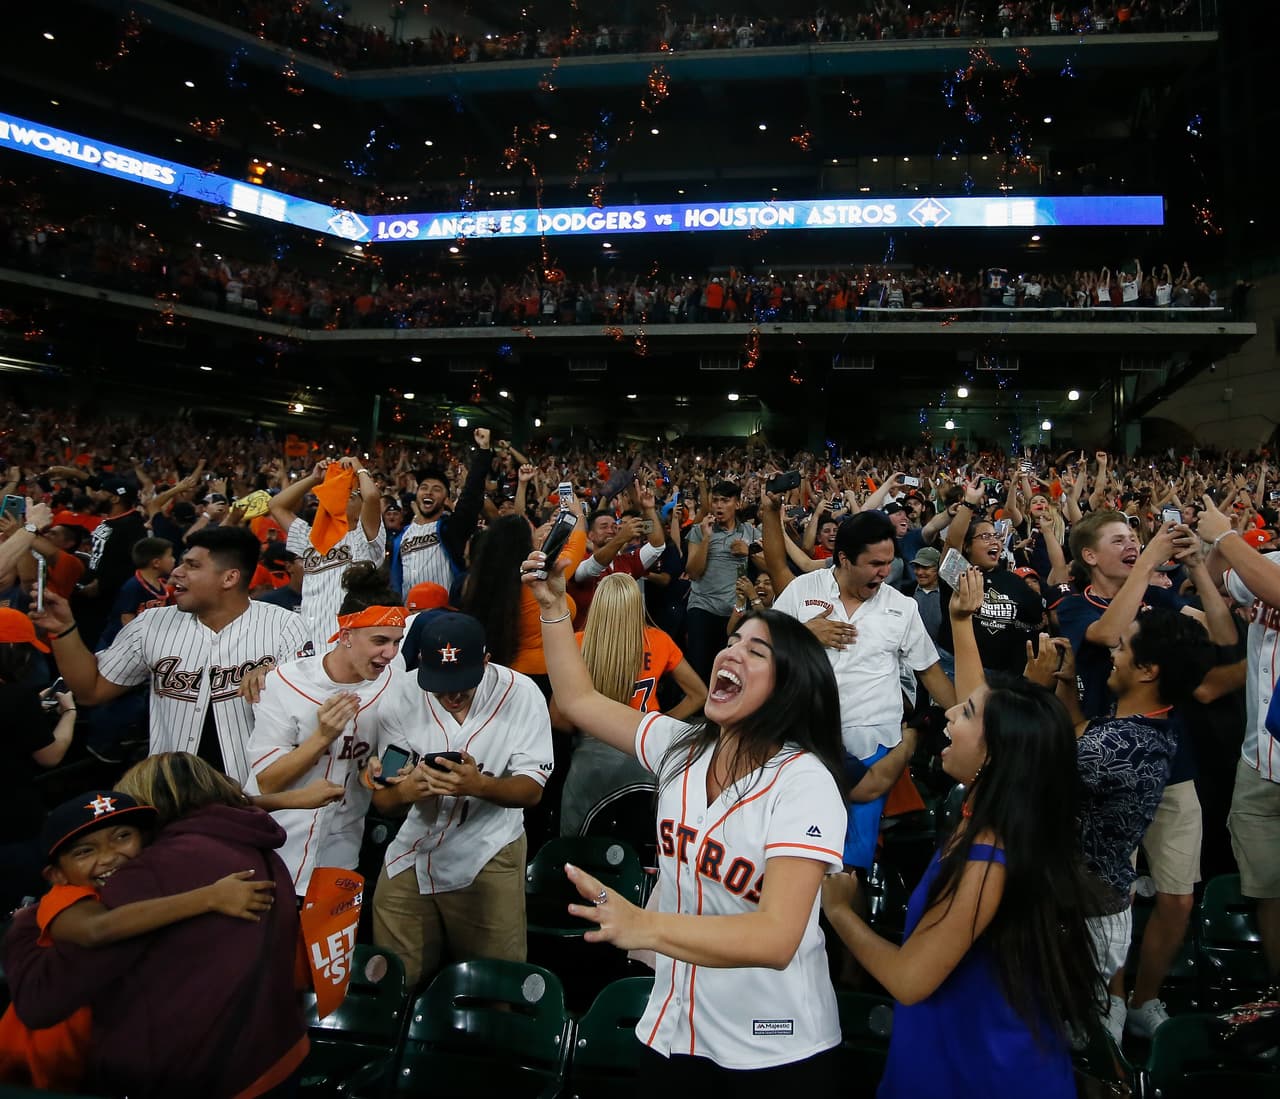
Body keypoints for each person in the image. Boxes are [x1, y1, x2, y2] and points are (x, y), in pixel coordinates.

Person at [521, 544, 849, 1091]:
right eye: (732, 642)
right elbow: (578, 700)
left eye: (756, 651)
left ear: (789, 686)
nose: (731, 653)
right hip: (675, 1025)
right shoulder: (683, 746)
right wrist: (554, 608)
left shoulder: (805, 782)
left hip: (773, 1045)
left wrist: (644, 925)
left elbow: (776, 938)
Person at [822, 568, 1102, 1098]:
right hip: (955, 1055)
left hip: (981, 1076)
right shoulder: (990, 808)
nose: (950, 712)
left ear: (993, 753)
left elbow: (910, 979)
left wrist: (840, 912)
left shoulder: (989, 855)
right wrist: (960, 623)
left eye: (965, 714)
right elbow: (987, 708)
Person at [2, 753, 308, 1099]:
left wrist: (25, 928)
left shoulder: (149, 873)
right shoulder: (255, 844)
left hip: (203, 1077)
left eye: (122, 835)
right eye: (85, 850)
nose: (109, 856)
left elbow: (41, 1002)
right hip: (281, 1055)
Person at [30, 526, 311, 784]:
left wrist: (279, 680)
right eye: (180, 562)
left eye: (192, 565)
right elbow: (91, 690)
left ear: (229, 578)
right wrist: (64, 630)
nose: (176, 572)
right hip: (171, 794)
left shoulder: (286, 626)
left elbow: (310, 716)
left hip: (256, 792)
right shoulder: (151, 623)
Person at [764, 503, 955, 871]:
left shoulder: (901, 608)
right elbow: (759, 647)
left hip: (873, 749)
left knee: (849, 863)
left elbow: (930, 672)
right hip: (802, 741)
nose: (885, 572)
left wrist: (964, 714)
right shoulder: (803, 590)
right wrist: (803, 634)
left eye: (889, 563)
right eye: (875, 564)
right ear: (844, 559)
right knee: (797, 851)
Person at [369, 612, 554, 987]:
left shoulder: (521, 694)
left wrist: (479, 785)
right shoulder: (401, 695)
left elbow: (532, 790)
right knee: (393, 982)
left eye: (462, 685)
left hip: (488, 848)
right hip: (414, 850)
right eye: (441, 686)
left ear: (485, 661)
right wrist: (407, 790)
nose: (451, 696)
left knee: (494, 986)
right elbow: (384, 801)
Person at [247, 563, 407, 896]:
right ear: (346, 636)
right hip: (276, 841)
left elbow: (379, 764)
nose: (390, 653)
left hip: (342, 846)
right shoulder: (284, 683)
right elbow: (267, 781)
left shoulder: (393, 677)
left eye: (396, 642)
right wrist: (322, 737)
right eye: (380, 641)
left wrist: (374, 771)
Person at [553, 573, 706, 836]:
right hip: (645, 755)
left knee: (580, 846)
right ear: (637, 604)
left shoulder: (577, 643)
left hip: (591, 760)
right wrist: (658, 725)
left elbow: (557, 717)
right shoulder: (659, 640)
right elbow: (699, 695)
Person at [1198, 494, 1280, 982]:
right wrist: (1216, 544)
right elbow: (1210, 579)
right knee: (1268, 892)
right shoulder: (1267, 562)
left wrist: (1227, 536)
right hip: (1258, 761)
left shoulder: (1265, 569)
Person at [0, 608, 77, 912]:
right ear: (11, 649)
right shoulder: (16, 697)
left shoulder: (19, 699)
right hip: (13, 826)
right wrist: (69, 713)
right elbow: (50, 755)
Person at [268, 456, 385, 650]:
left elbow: (372, 496)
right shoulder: (311, 538)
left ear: (361, 508)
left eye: (352, 494)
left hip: (346, 643)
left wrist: (358, 466)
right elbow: (276, 506)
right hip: (307, 642)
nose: (345, 494)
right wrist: (314, 478)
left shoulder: (363, 536)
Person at [389, 428, 492, 594]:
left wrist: (484, 450)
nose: (428, 492)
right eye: (424, 487)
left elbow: (471, 496)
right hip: (407, 609)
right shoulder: (401, 536)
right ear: (417, 494)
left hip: (444, 608)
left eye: (436, 489)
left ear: (446, 499)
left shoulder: (450, 528)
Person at [684, 480, 760, 684]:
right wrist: (706, 538)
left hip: (736, 611)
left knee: (730, 670)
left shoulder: (751, 533)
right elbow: (693, 572)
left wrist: (749, 551)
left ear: (737, 504)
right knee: (700, 670)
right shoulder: (699, 530)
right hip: (702, 606)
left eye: (725, 501)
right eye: (715, 500)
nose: (718, 505)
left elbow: (770, 565)